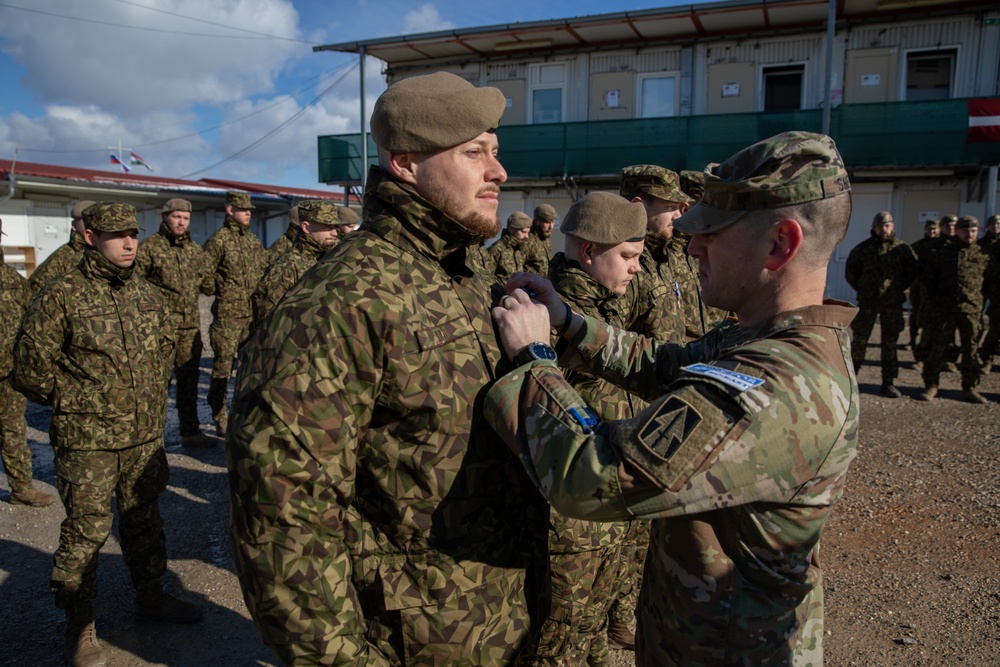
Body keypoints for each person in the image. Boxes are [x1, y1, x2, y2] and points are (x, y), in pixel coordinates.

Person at [484, 131, 858, 666]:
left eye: (712, 231)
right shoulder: (759, 339)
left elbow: (591, 477)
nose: (692, 245)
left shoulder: (778, 384)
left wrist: (534, 360)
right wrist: (571, 324)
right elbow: (666, 364)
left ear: (780, 244)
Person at [226, 71, 547, 665]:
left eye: (496, 153)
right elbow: (282, 522)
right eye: (474, 153)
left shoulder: (464, 279)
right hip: (410, 642)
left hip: (499, 622)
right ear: (405, 164)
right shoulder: (337, 303)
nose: (498, 172)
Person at [11, 202, 202, 667]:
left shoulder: (148, 295)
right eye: (117, 235)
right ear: (90, 236)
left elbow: (164, 356)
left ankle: (151, 597)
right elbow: (31, 371)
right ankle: (80, 626)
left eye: (132, 233)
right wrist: (81, 400)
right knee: (87, 532)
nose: (129, 242)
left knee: (143, 522)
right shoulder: (61, 294)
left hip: (142, 437)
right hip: (88, 440)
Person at [537, 191, 644, 664]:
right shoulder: (548, 315)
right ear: (588, 253)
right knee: (557, 635)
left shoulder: (603, 306)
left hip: (604, 500)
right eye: (627, 256)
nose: (636, 268)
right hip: (568, 517)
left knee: (592, 622)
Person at [135, 198, 214, 448]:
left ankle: (190, 432)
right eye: (176, 216)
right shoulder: (149, 248)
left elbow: (207, 283)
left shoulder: (194, 250)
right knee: (156, 386)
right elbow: (133, 286)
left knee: (189, 385)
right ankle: (151, 438)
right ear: (165, 216)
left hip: (190, 329)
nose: (181, 222)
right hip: (160, 330)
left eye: (186, 218)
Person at [201, 191, 267, 437]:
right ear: (230, 210)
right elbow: (204, 271)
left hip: (250, 318)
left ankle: (244, 415)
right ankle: (219, 416)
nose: (248, 212)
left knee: (249, 370)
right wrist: (219, 289)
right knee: (222, 370)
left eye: (249, 209)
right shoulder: (219, 240)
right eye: (243, 209)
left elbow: (263, 268)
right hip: (228, 319)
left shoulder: (252, 241)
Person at [1, 216, 55, 507]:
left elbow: (30, 320)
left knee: (12, 428)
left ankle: (21, 487)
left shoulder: (12, 280)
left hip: (6, 371)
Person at [917, 215, 999, 403]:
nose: (969, 234)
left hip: (971, 312)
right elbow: (928, 281)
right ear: (958, 231)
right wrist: (932, 305)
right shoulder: (942, 254)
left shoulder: (983, 256)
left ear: (977, 232)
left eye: (972, 231)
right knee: (938, 349)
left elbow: (993, 284)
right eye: (965, 230)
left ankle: (969, 388)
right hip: (944, 311)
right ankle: (931, 385)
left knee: (970, 351)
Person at [844, 211, 917, 397]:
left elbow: (912, 273)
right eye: (880, 226)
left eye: (887, 226)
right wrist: (864, 289)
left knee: (890, 344)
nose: (884, 229)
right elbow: (851, 273)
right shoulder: (863, 249)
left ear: (892, 226)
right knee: (859, 342)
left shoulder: (902, 250)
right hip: (868, 303)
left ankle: (889, 382)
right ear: (874, 228)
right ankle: (850, 383)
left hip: (892, 305)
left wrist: (897, 290)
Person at [251, 199, 340, 332]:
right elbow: (266, 321)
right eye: (327, 226)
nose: (335, 233)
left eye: (335, 227)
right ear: (306, 227)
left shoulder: (327, 260)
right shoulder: (287, 267)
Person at [28, 200, 95, 295]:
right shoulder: (61, 259)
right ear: (74, 226)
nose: (94, 226)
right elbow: (36, 295)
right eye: (87, 222)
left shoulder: (110, 252)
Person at [908, 218, 940, 356]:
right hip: (918, 287)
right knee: (916, 314)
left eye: (934, 229)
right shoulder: (917, 246)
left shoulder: (943, 246)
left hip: (936, 289)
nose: (932, 231)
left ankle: (930, 343)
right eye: (929, 229)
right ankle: (912, 340)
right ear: (925, 230)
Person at [489, 210, 546, 286]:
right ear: (511, 229)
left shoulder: (519, 248)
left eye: (528, 233)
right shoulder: (497, 249)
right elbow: (487, 278)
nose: (526, 236)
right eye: (523, 232)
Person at [977, 213, 1000, 371]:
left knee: (996, 325)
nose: (996, 227)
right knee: (976, 322)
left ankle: (989, 355)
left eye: (998, 224)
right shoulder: (980, 244)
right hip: (981, 287)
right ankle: (982, 356)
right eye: (993, 224)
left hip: (998, 288)